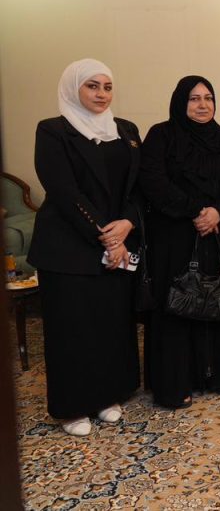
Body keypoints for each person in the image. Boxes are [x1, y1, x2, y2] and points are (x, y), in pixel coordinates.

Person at [28, 59, 142, 436]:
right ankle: (73, 406)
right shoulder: (53, 130)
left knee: (110, 324)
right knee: (72, 329)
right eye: (92, 86)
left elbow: (137, 186)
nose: (101, 94)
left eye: (107, 87)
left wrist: (127, 224)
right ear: (73, 88)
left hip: (118, 244)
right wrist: (105, 235)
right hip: (68, 247)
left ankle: (107, 395)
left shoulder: (125, 130)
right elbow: (62, 190)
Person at [140, 75, 220, 409]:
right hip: (175, 236)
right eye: (194, 98)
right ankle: (176, 382)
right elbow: (153, 182)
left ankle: (218, 375)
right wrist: (196, 211)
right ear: (180, 102)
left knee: (218, 298)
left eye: (208, 98)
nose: (203, 105)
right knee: (178, 304)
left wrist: (217, 212)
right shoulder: (161, 136)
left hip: (217, 233)